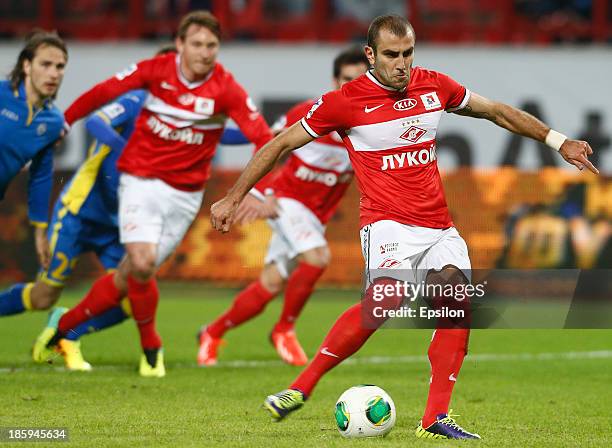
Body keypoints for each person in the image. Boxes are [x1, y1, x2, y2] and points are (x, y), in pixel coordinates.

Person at [208, 15, 597, 439]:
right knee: (386, 301)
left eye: (408, 53)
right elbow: (280, 144)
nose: (402, 63)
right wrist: (234, 196)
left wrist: (560, 142)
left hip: (439, 226)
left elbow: (496, 111)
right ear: (371, 55)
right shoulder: (344, 102)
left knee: (456, 309)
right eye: (392, 55)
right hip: (387, 223)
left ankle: (434, 420)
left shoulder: (435, 86)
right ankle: (300, 388)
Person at [32, 10, 273, 378]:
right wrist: (67, 118)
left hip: (185, 196)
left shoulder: (226, 89)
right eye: (196, 44)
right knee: (142, 265)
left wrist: (257, 191)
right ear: (179, 45)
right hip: (140, 182)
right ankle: (151, 346)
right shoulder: (155, 71)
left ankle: (65, 329)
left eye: (212, 45)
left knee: (132, 274)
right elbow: (103, 92)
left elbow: (261, 138)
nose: (205, 52)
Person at [197, 48, 369, 367]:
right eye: (346, 80)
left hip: (316, 217)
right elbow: (268, 144)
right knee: (318, 258)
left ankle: (212, 331)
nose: (351, 87)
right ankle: (284, 330)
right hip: (287, 201)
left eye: (359, 80)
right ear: (334, 81)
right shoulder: (311, 112)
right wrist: (262, 192)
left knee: (271, 284)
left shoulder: (371, 125)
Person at [0, 31, 68, 317]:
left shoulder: (53, 122)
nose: (53, 73)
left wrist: (41, 232)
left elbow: (40, 177)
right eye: (45, 64)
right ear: (26, 65)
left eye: (60, 66)